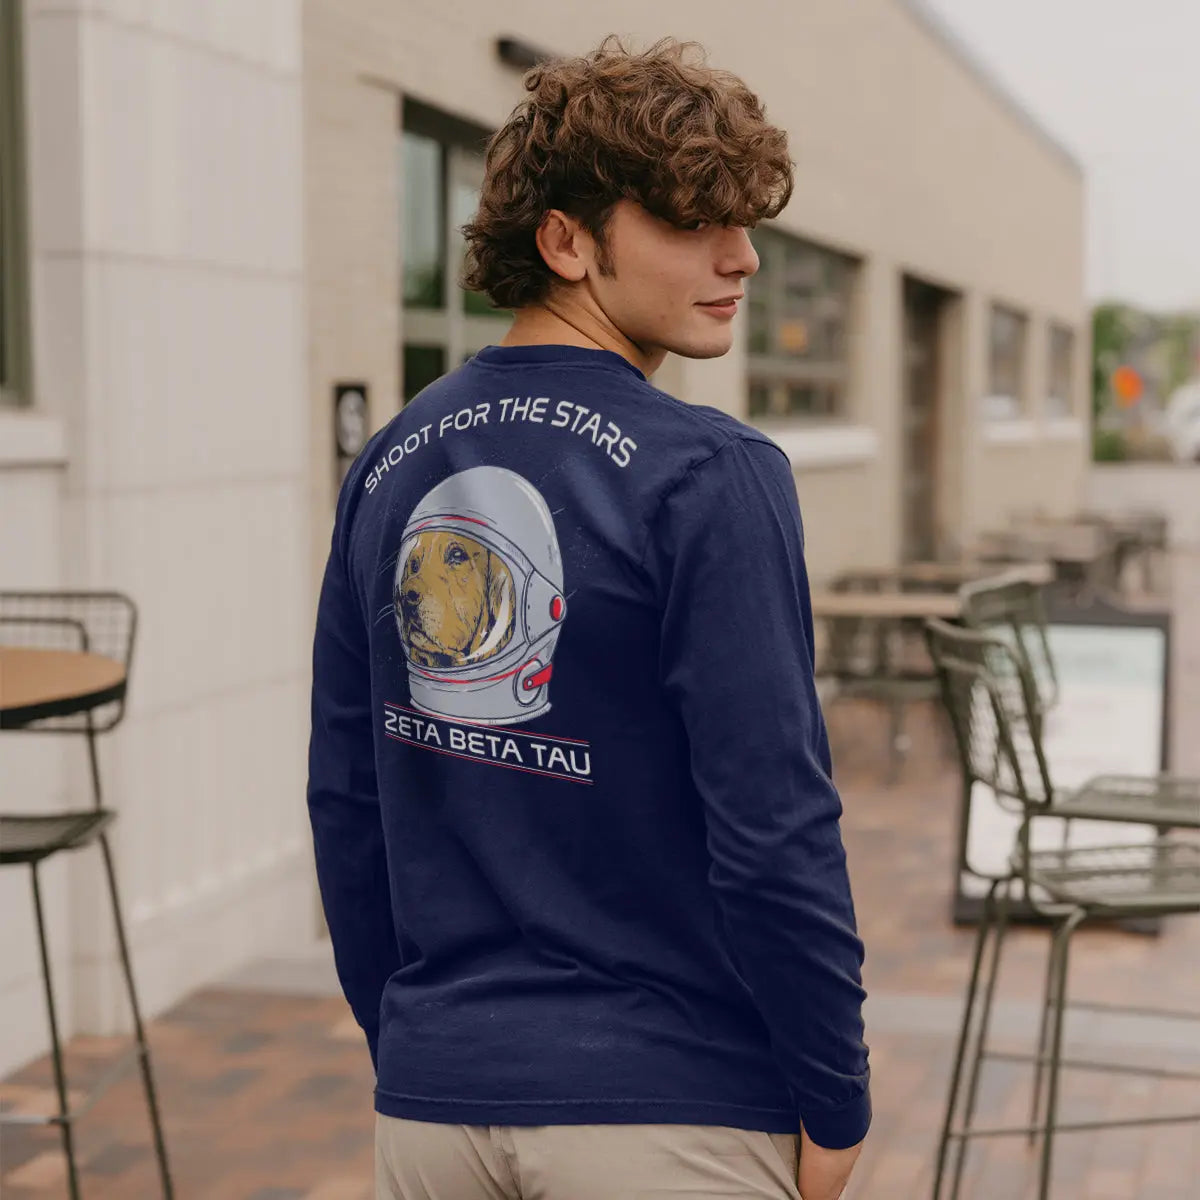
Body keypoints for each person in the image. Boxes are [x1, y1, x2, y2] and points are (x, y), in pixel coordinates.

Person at [308, 36, 870, 1200]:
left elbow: (347, 799)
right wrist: (836, 1094)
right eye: (692, 220)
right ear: (565, 242)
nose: (742, 255)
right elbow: (773, 825)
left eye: (743, 219)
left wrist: (413, 1048)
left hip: (433, 1106)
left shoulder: (389, 464)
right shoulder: (711, 472)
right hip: (669, 1112)